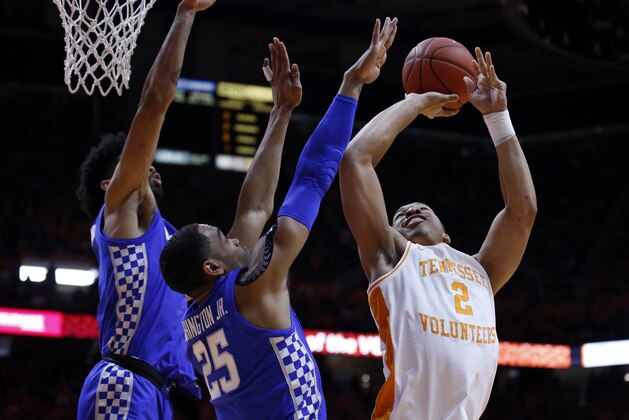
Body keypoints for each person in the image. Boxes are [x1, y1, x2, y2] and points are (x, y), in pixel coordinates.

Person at [159, 17, 398, 419]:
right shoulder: (254, 286)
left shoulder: (197, 314)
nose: (235, 238)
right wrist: (351, 86)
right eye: (223, 237)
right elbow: (312, 176)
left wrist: (281, 111)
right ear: (212, 266)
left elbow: (252, 209)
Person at [339, 47, 537, 419]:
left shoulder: (481, 271)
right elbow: (356, 159)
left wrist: (498, 117)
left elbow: (522, 211)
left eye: (421, 209)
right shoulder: (392, 258)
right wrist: (415, 102)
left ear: (447, 237)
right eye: (399, 215)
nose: (410, 210)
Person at [75, 1, 216, 418]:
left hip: (161, 395)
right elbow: (154, 102)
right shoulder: (120, 210)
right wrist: (186, 14)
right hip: (124, 381)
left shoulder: (176, 240)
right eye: (138, 161)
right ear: (109, 185)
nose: (149, 163)